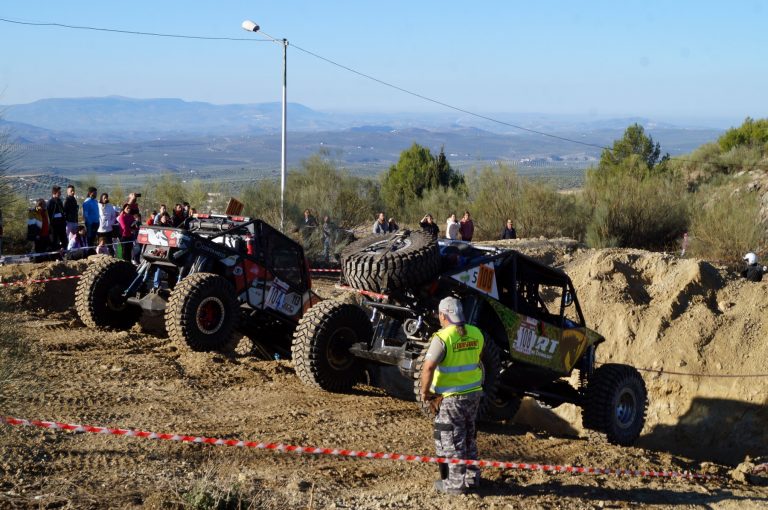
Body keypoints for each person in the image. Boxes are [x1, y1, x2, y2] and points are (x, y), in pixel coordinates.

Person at [420, 297, 484, 495]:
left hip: (452, 398)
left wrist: (425, 392)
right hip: (473, 395)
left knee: (451, 438)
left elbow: (428, 367)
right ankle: (473, 479)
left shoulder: (442, 338)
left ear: (443, 315)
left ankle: (455, 484)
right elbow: (477, 359)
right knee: (468, 436)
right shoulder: (476, 333)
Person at [47, 185, 67, 252]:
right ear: (54, 193)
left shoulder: (60, 201)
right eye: (59, 192)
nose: (60, 194)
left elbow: (63, 212)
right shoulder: (50, 203)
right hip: (54, 227)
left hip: (61, 225)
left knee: (64, 240)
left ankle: (64, 254)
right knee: (54, 242)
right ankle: (55, 256)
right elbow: (48, 215)